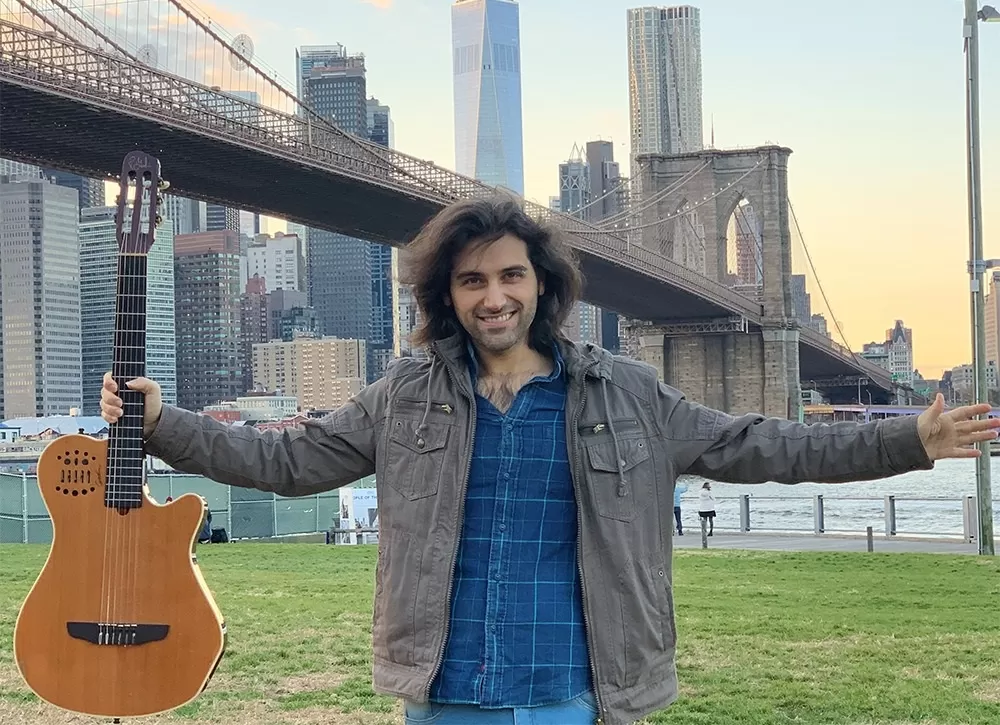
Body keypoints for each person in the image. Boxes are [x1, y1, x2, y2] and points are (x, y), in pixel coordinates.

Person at [100, 196, 999, 725]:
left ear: (543, 284)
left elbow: (762, 445)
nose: (493, 296)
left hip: (574, 690)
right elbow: (288, 462)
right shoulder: (406, 390)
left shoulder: (630, 394)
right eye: (472, 279)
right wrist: (165, 422)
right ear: (447, 294)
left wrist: (906, 439)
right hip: (443, 690)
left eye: (510, 275)